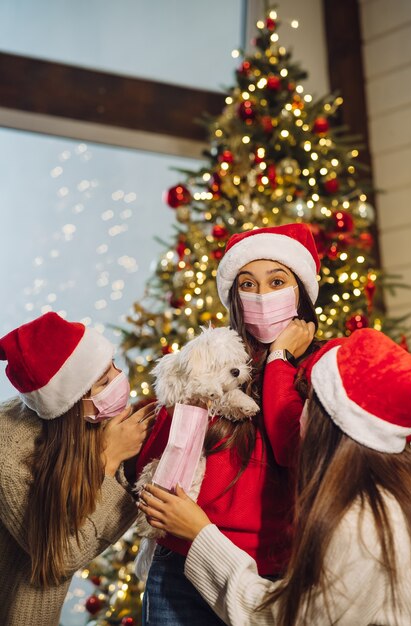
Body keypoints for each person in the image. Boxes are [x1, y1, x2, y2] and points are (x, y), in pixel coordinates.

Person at [139, 328, 411, 626]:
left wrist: (200, 535)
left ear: (332, 425)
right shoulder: (392, 492)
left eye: (309, 401)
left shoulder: (360, 524)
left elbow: (284, 618)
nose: (299, 412)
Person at [136, 223, 325, 625]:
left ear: (302, 291)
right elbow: (157, 461)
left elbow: (296, 449)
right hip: (181, 565)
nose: (261, 296)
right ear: (234, 295)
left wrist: (278, 364)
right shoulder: (213, 357)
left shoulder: (327, 367)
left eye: (277, 281)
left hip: (273, 573)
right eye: (247, 284)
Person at [0, 311, 156, 626]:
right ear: (69, 402)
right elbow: (60, 557)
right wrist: (110, 460)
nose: (120, 380)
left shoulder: (88, 419)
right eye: (104, 382)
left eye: (113, 366)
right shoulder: (8, 450)